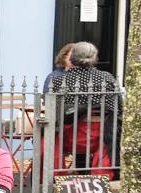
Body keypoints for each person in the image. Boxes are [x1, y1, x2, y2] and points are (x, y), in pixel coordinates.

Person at [51, 41, 122, 177]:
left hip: (68, 136)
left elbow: (54, 112)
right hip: (101, 135)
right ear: (94, 58)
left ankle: (56, 176)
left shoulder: (59, 80)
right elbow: (118, 108)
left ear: (72, 58)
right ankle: (102, 178)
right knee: (110, 133)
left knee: (49, 137)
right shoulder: (107, 78)